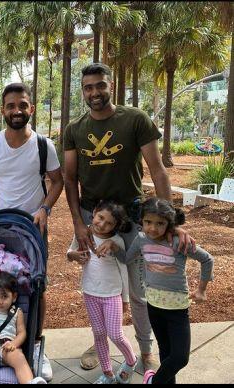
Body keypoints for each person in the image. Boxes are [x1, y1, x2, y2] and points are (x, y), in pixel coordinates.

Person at [63, 62, 195, 371]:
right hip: (94, 219)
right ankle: (102, 342)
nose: (95, 92)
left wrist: (167, 224)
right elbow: (69, 179)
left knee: (138, 289)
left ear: (111, 86)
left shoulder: (135, 120)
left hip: (133, 218)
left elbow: (158, 170)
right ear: (83, 91)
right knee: (98, 285)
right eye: (88, 87)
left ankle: (145, 348)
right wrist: (78, 223)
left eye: (100, 85)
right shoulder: (74, 130)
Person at [0, 83, 64, 381]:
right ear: (3, 110)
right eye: (11, 106)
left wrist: (45, 208)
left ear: (31, 109)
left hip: (32, 229)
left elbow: (57, 181)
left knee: (37, 286)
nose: (17, 111)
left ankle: (36, 346)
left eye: (22, 105)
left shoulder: (42, 145)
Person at [111, 198, 214, 384]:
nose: (152, 228)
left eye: (160, 223)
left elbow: (207, 259)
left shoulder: (177, 241)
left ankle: (153, 381)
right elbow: (127, 258)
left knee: (180, 357)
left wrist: (201, 290)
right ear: (141, 221)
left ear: (169, 224)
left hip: (177, 309)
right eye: (148, 222)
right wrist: (113, 246)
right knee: (165, 353)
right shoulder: (141, 239)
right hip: (153, 306)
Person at [67, 200, 137, 384]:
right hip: (90, 293)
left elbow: (124, 270)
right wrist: (73, 255)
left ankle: (131, 361)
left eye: (109, 223)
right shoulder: (83, 233)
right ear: (95, 212)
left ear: (116, 226)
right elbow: (69, 252)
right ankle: (107, 373)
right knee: (98, 333)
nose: (103, 225)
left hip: (112, 294)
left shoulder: (116, 241)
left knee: (115, 334)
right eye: (100, 218)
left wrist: (125, 299)